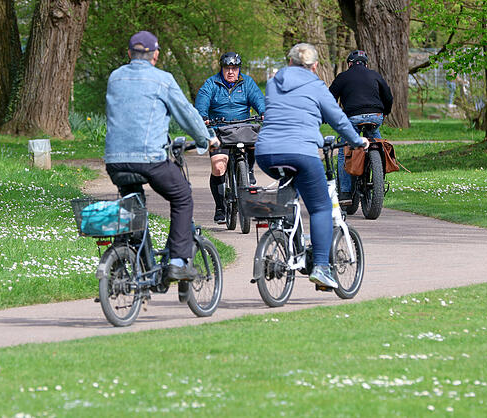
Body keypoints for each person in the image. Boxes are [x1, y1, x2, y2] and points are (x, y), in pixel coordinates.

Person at [104, 31, 220, 282]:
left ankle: (135, 255)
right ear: (155, 55)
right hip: (148, 159)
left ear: (128, 54)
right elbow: (187, 114)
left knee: (133, 202)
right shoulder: (162, 80)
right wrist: (207, 139)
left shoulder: (115, 77)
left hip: (114, 160)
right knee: (181, 195)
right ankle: (177, 261)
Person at [255, 43, 368, 289]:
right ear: (314, 66)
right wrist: (357, 141)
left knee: (291, 194)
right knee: (320, 208)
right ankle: (321, 267)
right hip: (301, 152)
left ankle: (285, 232)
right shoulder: (315, 85)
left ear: (289, 62)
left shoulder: (274, 82)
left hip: (265, 153)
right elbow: (337, 119)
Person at [194, 52, 266, 224]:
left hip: (243, 126)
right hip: (219, 129)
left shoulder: (247, 82)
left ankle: (247, 171)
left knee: (257, 139)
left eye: (234, 68)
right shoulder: (211, 83)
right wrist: (203, 116)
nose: (231, 72)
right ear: (222, 69)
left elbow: (258, 99)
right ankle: (220, 208)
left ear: (239, 69)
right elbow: (202, 101)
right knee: (218, 167)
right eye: (227, 68)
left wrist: (264, 112)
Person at [328, 50, 394, 205]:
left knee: (345, 150)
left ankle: (345, 192)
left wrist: (328, 115)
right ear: (366, 64)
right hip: (375, 116)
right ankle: (379, 178)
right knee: (377, 144)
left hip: (353, 118)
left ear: (350, 63)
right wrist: (385, 113)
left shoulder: (343, 77)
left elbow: (329, 99)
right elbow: (388, 97)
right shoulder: (375, 75)